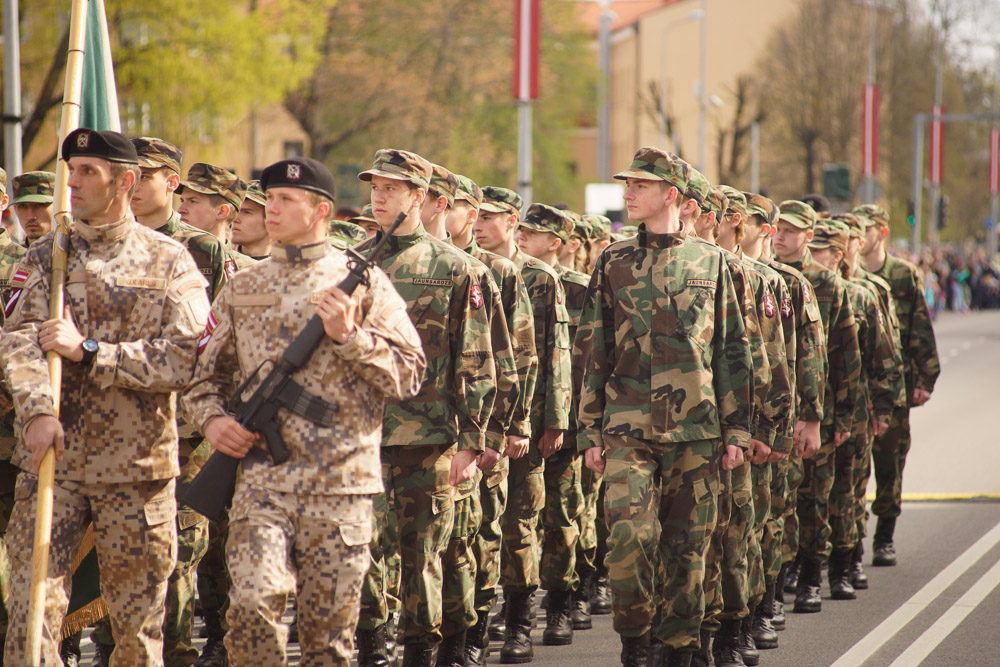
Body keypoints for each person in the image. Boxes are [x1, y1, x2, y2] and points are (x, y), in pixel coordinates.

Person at [183, 156, 424, 666]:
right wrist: (213, 420)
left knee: (328, 640)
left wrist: (352, 339)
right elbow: (206, 377)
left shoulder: (365, 283)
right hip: (261, 484)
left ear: (321, 211)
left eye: (286, 200)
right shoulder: (243, 285)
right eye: (269, 199)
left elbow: (408, 376)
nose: (272, 209)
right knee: (250, 608)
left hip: (340, 489)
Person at [0, 128, 211, 665]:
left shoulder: (170, 261)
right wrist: (36, 412)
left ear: (127, 180)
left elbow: (188, 357)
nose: (74, 182)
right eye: (72, 169)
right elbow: (19, 341)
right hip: (54, 461)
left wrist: (93, 352)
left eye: (90, 171)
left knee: (137, 629)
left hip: (136, 471)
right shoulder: (48, 256)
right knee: (30, 614)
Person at [576, 147, 753, 667]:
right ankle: (635, 643)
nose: (627, 193)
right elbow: (594, 350)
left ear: (670, 195)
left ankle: (680, 650)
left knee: (689, 554)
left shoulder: (712, 262)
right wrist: (590, 432)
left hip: (697, 432)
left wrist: (738, 431)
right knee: (629, 541)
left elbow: (732, 351)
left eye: (639, 185)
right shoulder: (613, 261)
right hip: (627, 427)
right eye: (626, 184)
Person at [353, 149, 495, 666]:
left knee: (422, 558)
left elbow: (476, 360)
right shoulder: (351, 263)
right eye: (375, 187)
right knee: (360, 551)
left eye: (391, 188)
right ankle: (371, 647)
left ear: (419, 196)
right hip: (359, 437)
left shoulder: (456, 269)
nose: (379, 196)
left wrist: (472, 441)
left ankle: (423, 650)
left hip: (429, 440)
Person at [475, 186, 571, 665]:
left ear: (511, 223)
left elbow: (555, 351)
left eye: (489, 217)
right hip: (480, 424)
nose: (478, 224)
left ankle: (519, 623)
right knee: (480, 526)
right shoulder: (470, 268)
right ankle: (478, 618)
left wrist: (553, 421)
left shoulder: (538, 277)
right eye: (476, 215)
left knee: (520, 524)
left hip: (526, 423)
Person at [772, 200, 861, 614]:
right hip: (774, 409)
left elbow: (845, 356)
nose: (781, 236)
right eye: (778, 228)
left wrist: (841, 415)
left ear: (809, 236)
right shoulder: (764, 275)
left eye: (791, 230)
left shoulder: (828, 284)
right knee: (778, 501)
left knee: (813, 498)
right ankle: (777, 579)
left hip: (815, 412)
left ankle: (811, 576)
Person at [517, 203, 588, 647]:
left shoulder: (583, 289)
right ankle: (516, 608)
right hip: (521, 417)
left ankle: (561, 601)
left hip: (567, 421)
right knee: (518, 521)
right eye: (520, 229)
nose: (522, 236)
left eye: (533, 232)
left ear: (556, 243)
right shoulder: (512, 276)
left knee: (561, 515)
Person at [855, 203, 940, 566]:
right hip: (856, 388)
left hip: (896, 387)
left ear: (883, 232)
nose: (860, 236)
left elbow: (921, 328)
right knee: (854, 468)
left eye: (867, 229)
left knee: (890, 462)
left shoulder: (903, 275)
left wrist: (925, 378)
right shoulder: (848, 275)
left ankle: (884, 536)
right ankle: (851, 540)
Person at [10, 171, 56, 244]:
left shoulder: (76, 252)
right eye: (22, 206)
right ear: (15, 209)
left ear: (58, 207)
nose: (30, 216)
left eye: (40, 205)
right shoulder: (10, 254)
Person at [231, 180, 272, 260]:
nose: (235, 219)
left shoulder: (288, 268)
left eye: (247, 212)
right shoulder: (221, 264)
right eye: (236, 211)